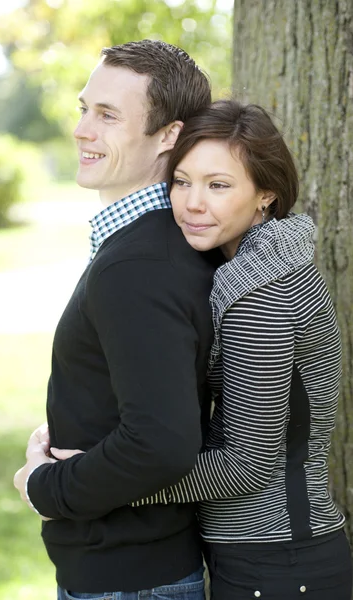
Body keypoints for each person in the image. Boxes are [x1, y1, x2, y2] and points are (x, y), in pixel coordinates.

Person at [13, 40, 222, 600]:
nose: (83, 129)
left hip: (129, 579)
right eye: (84, 108)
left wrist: (45, 487)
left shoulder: (138, 264)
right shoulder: (144, 247)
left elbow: (161, 441)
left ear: (169, 135)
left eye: (108, 115)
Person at [132, 100, 353, 599]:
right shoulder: (252, 268)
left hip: (280, 562)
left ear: (266, 197)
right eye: (182, 181)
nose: (191, 202)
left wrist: (105, 483)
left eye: (218, 185)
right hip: (264, 557)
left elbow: (247, 464)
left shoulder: (263, 291)